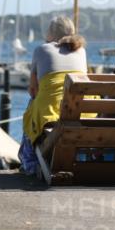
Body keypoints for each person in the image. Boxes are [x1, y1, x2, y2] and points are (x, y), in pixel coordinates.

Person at [18, 16, 88, 174]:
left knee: (32, 105)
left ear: (50, 32)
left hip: (52, 114)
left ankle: (30, 162)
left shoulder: (42, 49)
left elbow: (33, 90)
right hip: (84, 112)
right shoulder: (81, 50)